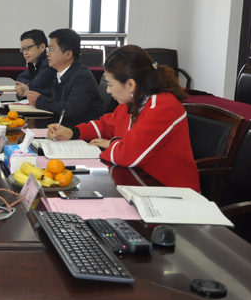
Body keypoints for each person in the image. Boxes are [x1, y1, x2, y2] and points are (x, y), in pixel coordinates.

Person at [47, 45, 199, 191]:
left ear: (130, 84)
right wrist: (73, 132)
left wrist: (112, 143)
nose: (107, 90)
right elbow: (106, 125)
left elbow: (128, 155)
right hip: (138, 182)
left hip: (171, 192)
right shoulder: (133, 101)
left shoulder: (163, 105)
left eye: (110, 84)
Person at [25, 28, 105, 127]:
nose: (47, 53)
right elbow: (54, 95)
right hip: (65, 126)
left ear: (68, 54)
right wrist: (31, 93)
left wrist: (39, 100)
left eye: (52, 49)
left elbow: (72, 109)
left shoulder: (82, 77)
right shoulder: (63, 73)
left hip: (82, 132)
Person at [15, 29, 56, 99]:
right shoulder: (34, 64)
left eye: (28, 48)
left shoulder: (49, 63)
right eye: (23, 49)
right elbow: (20, 78)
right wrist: (27, 85)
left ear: (42, 47)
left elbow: (35, 87)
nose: (25, 53)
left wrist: (27, 86)